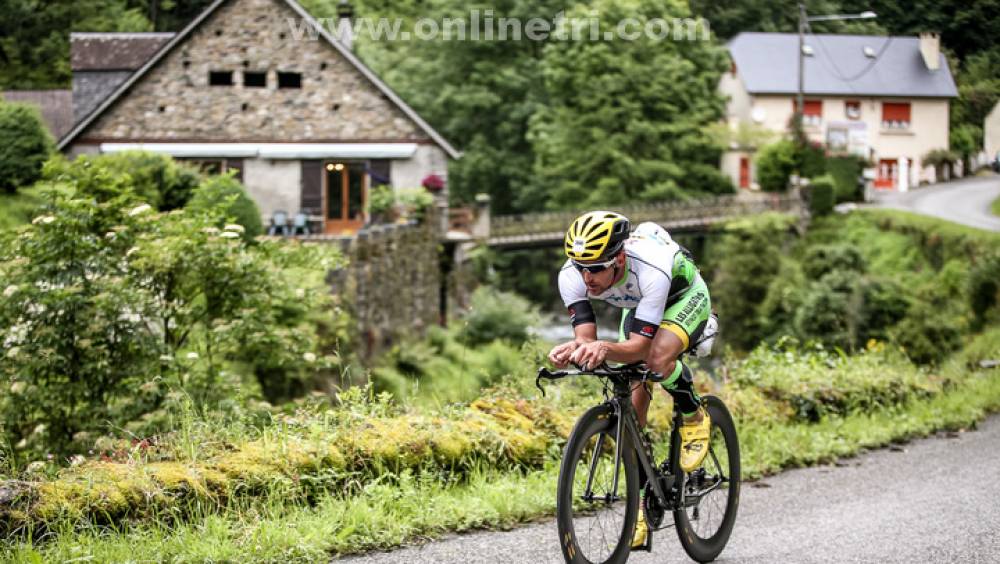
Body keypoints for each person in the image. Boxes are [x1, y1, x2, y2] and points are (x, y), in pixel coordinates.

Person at [547, 210, 718, 548]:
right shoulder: (571, 275)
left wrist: (604, 347)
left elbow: (639, 347)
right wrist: (575, 348)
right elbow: (586, 335)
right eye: (581, 267)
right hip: (641, 305)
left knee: (653, 360)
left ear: (619, 258)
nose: (586, 277)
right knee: (634, 411)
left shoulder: (651, 268)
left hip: (682, 297)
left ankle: (693, 414)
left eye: (595, 268)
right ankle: (641, 504)